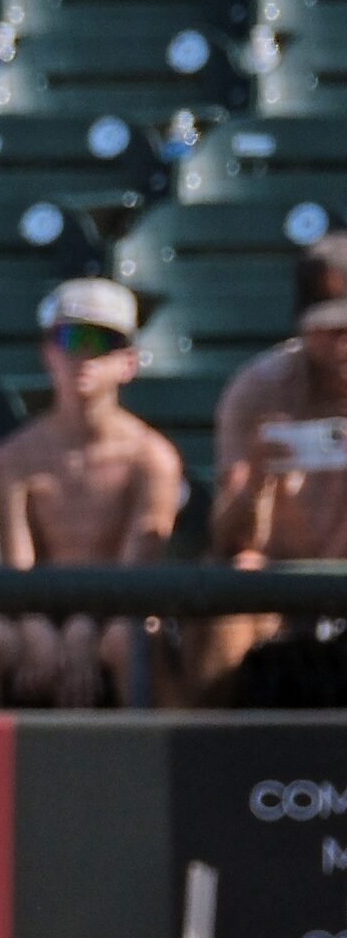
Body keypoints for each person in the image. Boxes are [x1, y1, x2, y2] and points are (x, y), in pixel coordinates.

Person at [0, 279, 182, 710]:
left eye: (103, 341)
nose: (84, 354)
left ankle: (157, 771)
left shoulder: (150, 459)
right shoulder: (15, 457)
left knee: (132, 639)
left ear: (128, 362)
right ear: (47, 352)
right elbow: (17, 566)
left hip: (118, 613)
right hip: (37, 610)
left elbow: (137, 572)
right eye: (70, 337)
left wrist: (82, 631)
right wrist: (38, 633)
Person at [194, 238, 347, 704]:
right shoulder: (259, 390)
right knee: (233, 590)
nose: (343, 344)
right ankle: (202, 762)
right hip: (275, 581)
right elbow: (229, 541)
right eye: (330, 329)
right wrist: (259, 475)